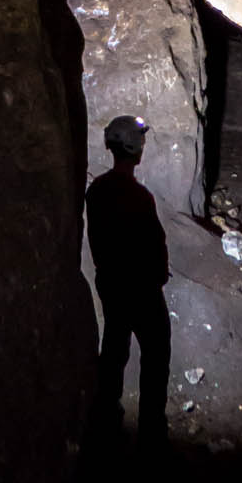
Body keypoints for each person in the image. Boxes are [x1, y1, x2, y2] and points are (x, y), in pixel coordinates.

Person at [85, 114, 170, 449]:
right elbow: (151, 243)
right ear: (132, 147)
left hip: (111, 284)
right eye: (141, 140)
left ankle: (105, 420)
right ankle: (151, 432)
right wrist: (157, 276)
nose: (144, 146)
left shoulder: (97, 191)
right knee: (156, 352)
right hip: (141, 289)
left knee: (115, 347)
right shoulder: (136, 196)